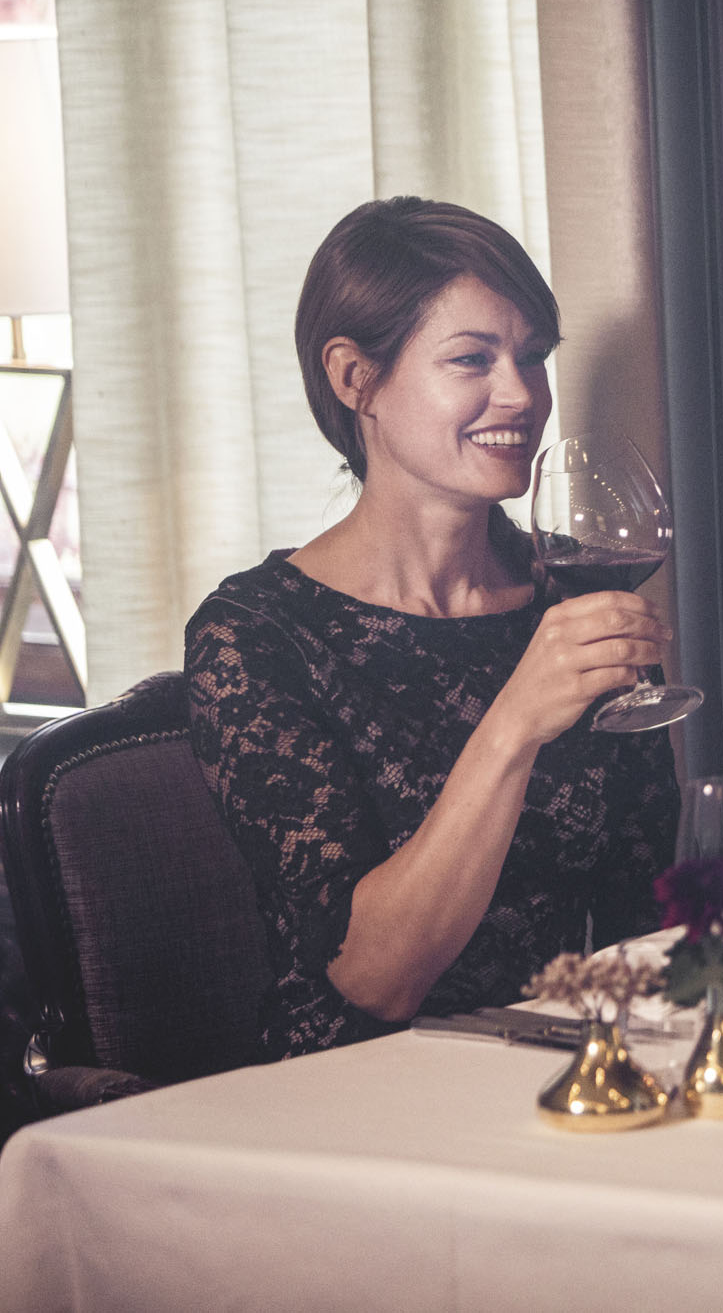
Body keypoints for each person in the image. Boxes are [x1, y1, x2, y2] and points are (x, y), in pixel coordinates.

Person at [186, 198, 680, 1059]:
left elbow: (646, 913)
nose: (522, 394)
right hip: (361, 1091)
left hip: (571, 1066)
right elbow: (375, 978)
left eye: (533, 356)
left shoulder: (567, 592)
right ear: (354, 378)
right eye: (472, 359)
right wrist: (516, 722)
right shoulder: (255, 638)